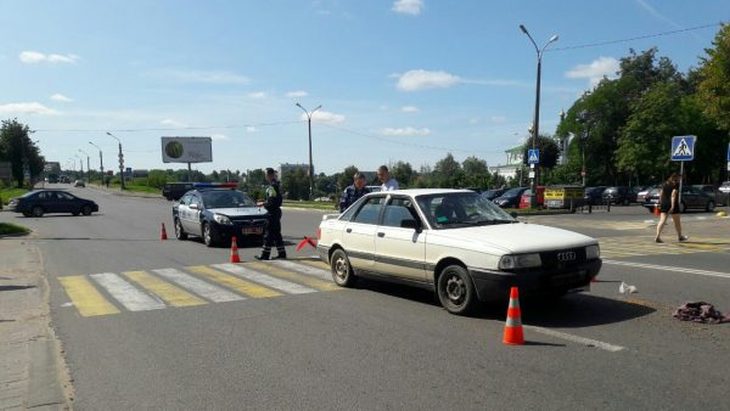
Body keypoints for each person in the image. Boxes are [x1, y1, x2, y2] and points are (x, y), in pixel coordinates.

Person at [256, 168, 286, 260]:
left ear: (270, 175)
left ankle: (265, 255)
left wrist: (263, 204)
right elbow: (275, 199)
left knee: (268, 234)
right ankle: (282, 253)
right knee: (276, 234)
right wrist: (266, 202)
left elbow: (272, 201)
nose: (265, 176)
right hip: (276, 212)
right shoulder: (276, 184)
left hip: (272, 213)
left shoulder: (272, 186)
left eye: (266, 174)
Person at [655, 172, 688, 243]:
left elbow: (661, 194)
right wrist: (672, 206)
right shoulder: (676, 184)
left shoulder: (664, 184)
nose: (680, 179)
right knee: (677, 222)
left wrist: (660, 202)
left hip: (664, 203)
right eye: (679, 177)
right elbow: (673, 195)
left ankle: (657, 236)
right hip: (672, 204)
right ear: (675, 177)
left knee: (662, 220)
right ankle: (680, 236)